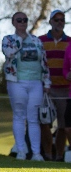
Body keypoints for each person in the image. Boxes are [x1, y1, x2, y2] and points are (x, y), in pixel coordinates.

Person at [3, 11, 50, 161]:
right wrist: (20, 39)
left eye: (25, 20)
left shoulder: (36, 40)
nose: (22, 22)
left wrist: (47, 82)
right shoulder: (8, 39)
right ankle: (21, 151)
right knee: (19, 116)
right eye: (19, 20)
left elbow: (44, 62)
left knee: (33, 118)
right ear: (13, 22)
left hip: (36, 82)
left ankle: (36, 153)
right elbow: (9, 52)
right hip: (16, 82)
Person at [39, 9, 69, 161]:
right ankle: (48, 154)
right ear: (50, 21)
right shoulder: (40, 40)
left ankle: (59, 156)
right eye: (56, 19)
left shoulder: (70, 42)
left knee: (63, 125)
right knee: (44, 122)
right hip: (46, 89)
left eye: (62, 19)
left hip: (65, 89)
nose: (59, 22)